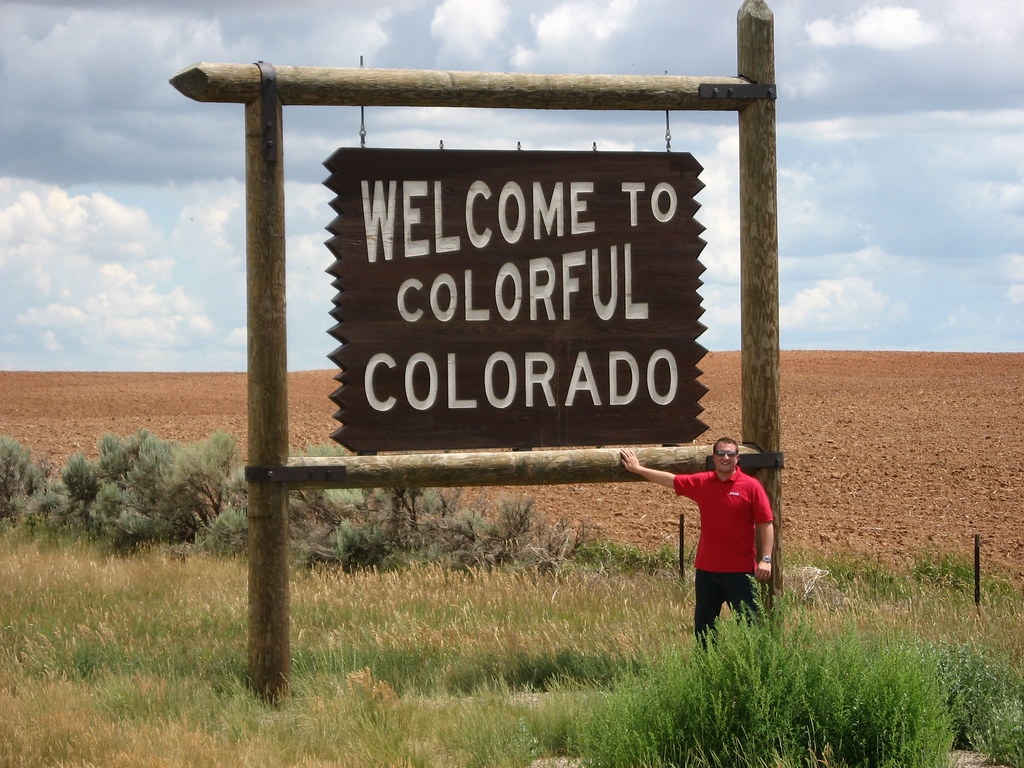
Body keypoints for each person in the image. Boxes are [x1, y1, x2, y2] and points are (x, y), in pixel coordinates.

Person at [619, 437, 774, 640]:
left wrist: (766, 559)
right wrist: (639, 469)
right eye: (720, 453)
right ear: (714, 457)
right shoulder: (703, 482)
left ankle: (751, 670)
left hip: (740, 571)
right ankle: (705, 669)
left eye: (730, 454)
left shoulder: (751, 486)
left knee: (748, 626)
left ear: (737, 458)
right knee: (704, 629)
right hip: (707, 572)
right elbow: (671, 480)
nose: (725, 458)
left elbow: (766, 523)